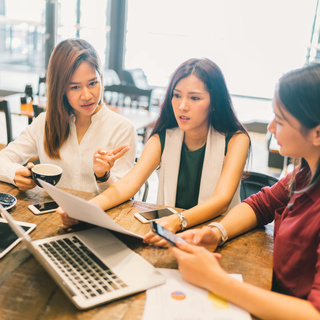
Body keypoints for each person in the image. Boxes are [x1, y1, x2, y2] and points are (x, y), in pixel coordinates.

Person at [170, 62, 320, 319]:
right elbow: (261, 205)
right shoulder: (305, 173)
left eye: (280, 121)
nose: (271, 128)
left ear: (317, 133)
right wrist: (217, 232)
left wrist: (216, 281)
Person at [58, 58, 250, 241]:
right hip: (168, 234)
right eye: (176, 95)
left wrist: (176, 221)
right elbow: (127, 185)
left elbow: (222, 201)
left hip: (217, 235)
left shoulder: (236, 140)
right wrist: (84, 210)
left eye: (194, 98)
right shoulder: (163, 138)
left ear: (214, 102)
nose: (182, 106)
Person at [0, 39, 136, 193]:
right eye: (75, 87)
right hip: (50, 215)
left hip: (97, 216)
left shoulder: (123, 129)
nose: (87, 95)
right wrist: (16, 174)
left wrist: (103, 176)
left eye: (92, 83)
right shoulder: (45, 123)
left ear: (101, 80)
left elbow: (124, 195)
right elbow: (3, 160)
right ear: (61, 89)